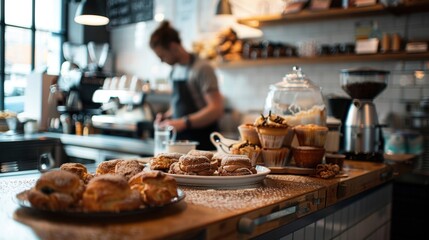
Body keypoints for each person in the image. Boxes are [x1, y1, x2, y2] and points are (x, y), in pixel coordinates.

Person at [149, 21, 224, 150]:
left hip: (203, 141)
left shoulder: (202, 68)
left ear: (173, 46)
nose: (161, 60)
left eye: (162, 56)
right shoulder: (174, 72)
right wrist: (167, 117)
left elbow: (216, 109)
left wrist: (184, 122)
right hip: (180, 140)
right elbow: (178, 106)